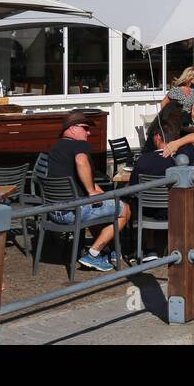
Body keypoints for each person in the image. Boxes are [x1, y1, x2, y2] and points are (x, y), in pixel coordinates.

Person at [46, 112, 133, 272]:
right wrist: (91, 192)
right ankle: (93, 254)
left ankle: (107, 250)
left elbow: (88, 181)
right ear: (72, 128)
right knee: (125, 210)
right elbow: (81, 161)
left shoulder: (55, 148)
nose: (88, 132)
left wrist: (102, 195)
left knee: (105, 206)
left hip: (53, 212)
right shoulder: (79, 145)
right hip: (72, 212)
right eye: (85, 128)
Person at [132, 118, 194, 259]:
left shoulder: (142, 160)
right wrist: (178, 143)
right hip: (175, 209)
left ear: (157, 137)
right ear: (175, 138)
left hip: (149, 211)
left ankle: (150, 248)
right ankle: (186, 240)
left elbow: (132, 189)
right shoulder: (182, 156)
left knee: (140, 198)